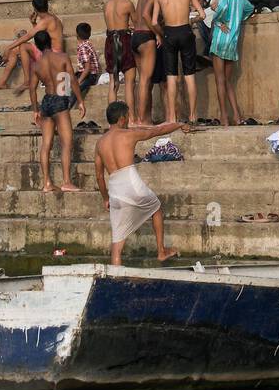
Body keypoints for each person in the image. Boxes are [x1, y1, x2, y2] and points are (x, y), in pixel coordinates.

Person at [94, 101, 183, 265]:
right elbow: (158, 130)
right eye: (127, 117)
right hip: (131, 183)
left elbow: (99, 176)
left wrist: (105, 198)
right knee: (156, 207)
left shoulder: (100, 143)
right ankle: (161, 252)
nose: (128, 120)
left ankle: (116, 276)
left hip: (115, 191)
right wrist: (179, 124)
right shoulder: (129, 135)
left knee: (117, 242)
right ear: (121, 119)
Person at [28, 29, 86, 191]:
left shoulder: (36, 65)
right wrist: (80, 101)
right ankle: (66, 182)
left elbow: (32, 89)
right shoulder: (62, 57)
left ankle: (47, 183)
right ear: (50, 42)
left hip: (46, 102)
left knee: (46, 144)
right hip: (60, 101)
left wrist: (35, 110)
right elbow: (71, 80)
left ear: (37, 46)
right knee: (67, 143)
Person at [147, 0, 205, 125]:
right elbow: (202, 14)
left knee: (171, 77)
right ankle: (193, 117)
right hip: (186, 32)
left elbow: (153, 21)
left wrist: (162, 32)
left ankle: (172, 117)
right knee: (190, 75)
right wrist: (190, 20)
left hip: (169, 33)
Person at [208, 0, 253, 126]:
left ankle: (224, 118)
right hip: (232, 41)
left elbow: (218, 10)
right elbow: (250, 9)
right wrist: (238, 19)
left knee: (220, 81)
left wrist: (219, 21)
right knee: (228, 82)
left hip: (220, 40)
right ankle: (237, 116)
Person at [132, 0, 167, 125]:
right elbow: (147, 17)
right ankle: (141, 120)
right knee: (146, 81)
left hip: (136, 37)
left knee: (143, 81)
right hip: (147, 37)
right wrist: (160, 34)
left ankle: (146, 118)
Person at [102, 0, 138, 124]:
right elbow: (136, 22)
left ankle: (112, 121)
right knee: (129, 83)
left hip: (110, 40)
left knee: (113, 83)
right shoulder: (127, 3)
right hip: (124, 40)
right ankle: (132, 119)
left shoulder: (106, 4)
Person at [73, 23, 102, 95]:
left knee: (75, 89)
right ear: (89, 34)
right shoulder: (88, 44)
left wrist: (79, 81)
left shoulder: (83, 47)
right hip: (89, 74)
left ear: (77, 35)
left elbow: (87, 68)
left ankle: (69, 104)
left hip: (90, 76)